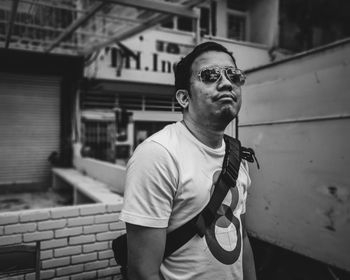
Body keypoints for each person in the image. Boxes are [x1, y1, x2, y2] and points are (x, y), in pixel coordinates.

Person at [120, 41, 257, 280]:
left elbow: (242, 237)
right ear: (184, 98)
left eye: (233, 75)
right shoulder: (158, 155)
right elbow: (143, 272)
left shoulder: (236, 156)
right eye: (210, 75)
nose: (226, 83)